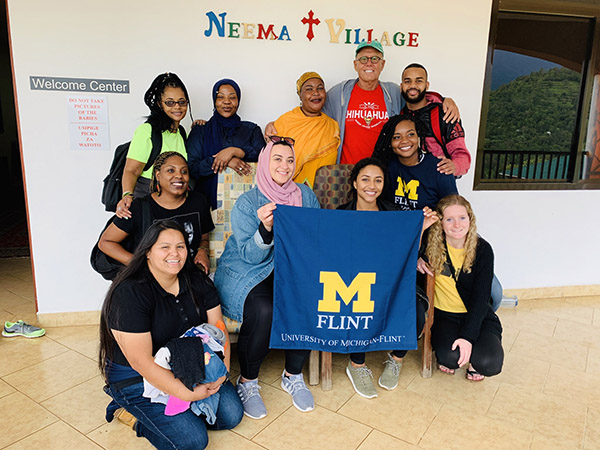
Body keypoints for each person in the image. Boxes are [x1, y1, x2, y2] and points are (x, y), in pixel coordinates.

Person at [99, 220, 243, 449]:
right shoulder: (129, 292)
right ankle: (128, 411)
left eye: (180, 246)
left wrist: (221, 374)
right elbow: (141, 362)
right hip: (137, 377)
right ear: (147, 252)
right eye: (164, 247)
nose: (174, 254)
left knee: (230, 416)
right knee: (193, 441)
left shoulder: (196, 280)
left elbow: (219, 329)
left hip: (188, 362)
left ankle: (175, 413)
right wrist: (187, 394)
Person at [214, 138, 320, 419]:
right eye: (277, 159)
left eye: (289, 160)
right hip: (250, 270)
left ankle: (293, 375)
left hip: (292, 268)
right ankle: (247, 381)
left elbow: (315, 239)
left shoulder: (307, 197)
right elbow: (250, 256)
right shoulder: (249, 203)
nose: (284, 166)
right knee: (264, 309)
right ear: (264, 162)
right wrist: (265, 229)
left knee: (308, 301)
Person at [337, 157, 437, 398]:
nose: (372, 185)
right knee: (360, 305)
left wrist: (421, 229)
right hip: (357, 284)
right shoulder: (341, 215)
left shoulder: (395, 213)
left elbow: (406, 249)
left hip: (395, 284)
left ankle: (397, 358)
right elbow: (336, 256)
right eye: (365, 179)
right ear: (354, 183)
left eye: (378, 180)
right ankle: (357, 365)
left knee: (416, 311)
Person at [323, 40, 460, 164]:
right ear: (355, 64)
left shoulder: (393, 92)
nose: (369, 63)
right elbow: (316, 112)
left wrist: (444, 100)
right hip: (347, 170)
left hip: (384, 172)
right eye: (363, 59)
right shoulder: (340, 93)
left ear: (382, 64)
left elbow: (415, 97)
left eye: (375, 59)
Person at [417, 195, 504, 381]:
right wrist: (417, 258)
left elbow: (481, 299)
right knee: (450, 359)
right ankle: (459, 353)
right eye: (449, 219)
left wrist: (468, 338)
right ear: (440, 222)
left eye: (462, 218)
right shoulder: (430, 246)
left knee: (489, 364)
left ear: (470, 220)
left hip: (477, 315)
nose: (457, 225)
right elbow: (404, 252)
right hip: (445, 316)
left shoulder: (482, 250)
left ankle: (474, 358)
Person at [99, 152, 214, 273]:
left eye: (184, 171)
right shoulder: (139, 208)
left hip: (188, 279)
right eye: (171, 171)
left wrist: (202, 251)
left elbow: (204, 238)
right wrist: (141, 265)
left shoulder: (199, 202)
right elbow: (106, 242)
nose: (179, 176)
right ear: (158, 175)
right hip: (151, 283)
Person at [116, 73, 191, 220]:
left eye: (182, 102)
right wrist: (127, 195)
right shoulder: (147, 131)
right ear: (159, 104)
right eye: (170, 102)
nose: (177, 107)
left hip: (173, 204)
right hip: (147, 204)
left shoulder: (181, 133)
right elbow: (131, 170)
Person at [187, 79, 263, 209]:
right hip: (206, 204)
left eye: (232, 97)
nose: (227, 102)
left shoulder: (251, 130)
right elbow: (192, 168)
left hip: (246, 204)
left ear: (238, 100)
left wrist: (236, 151)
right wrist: (224, 161)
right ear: (214, 101)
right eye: (220, 97)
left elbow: (264, 157)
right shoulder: (201, 130)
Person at [268, 71, 340, 188]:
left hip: (325, 194)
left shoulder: (332, 126)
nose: (315, 93)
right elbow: (272, 162)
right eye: (309, 89)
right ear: (300, 95)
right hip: (287, 193)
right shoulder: (285, 122)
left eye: (320, 88)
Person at [372, 114, 458, 211]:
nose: (404, 141)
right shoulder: (385, 167)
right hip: (394, 225)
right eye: (396, 137)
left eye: (411, 134)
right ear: (390, 142)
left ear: (419, 137)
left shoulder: (440, 168)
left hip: (429, 225)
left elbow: (452, 210)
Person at [400, 63, 471, 176]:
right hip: (408, 186)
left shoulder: (445, 113)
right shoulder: (400, 115)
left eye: (419, 81)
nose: (412, 85)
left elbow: (462, 155)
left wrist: (454, 166)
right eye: (407, 81)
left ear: (427, 85)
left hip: (437, 187)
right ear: (401, 86)